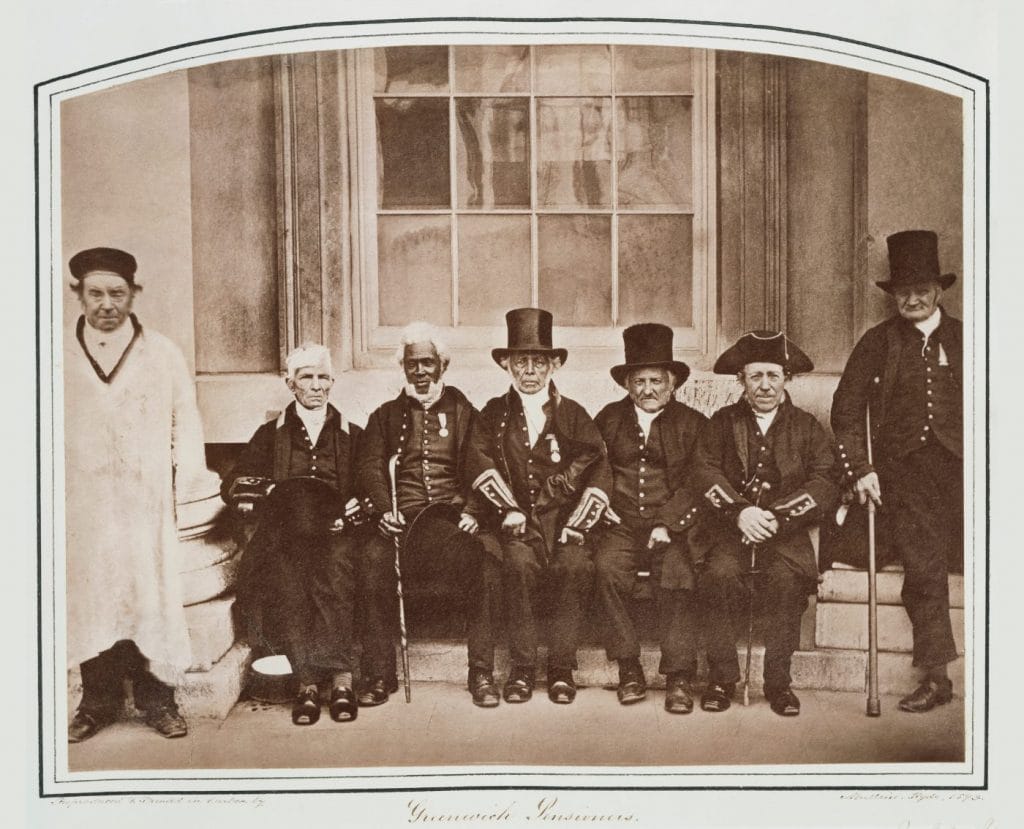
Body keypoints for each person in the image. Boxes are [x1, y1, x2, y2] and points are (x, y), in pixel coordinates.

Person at [65, 246, 217, 742]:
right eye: (95, 293)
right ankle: (98, 701)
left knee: (149, 597)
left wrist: (186, 482)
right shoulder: (56, 354)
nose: (106, 304)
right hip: (83, 505)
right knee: (93, 598)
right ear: (79, 295)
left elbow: (186, 422)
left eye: (117, 293)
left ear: (134, 294)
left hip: (145, 504)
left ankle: (159, 701)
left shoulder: (162, 353)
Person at [829, 230, 963, 713]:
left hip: (966, 474)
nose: (912, 298)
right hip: (903, 478)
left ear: (938, 290)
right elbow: (845, 413)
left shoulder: (967, 338)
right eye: (903, 290)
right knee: (925, 565)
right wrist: (861, 470)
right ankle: (937, 677)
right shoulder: (878, 343)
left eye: (921, 288)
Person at [469, 307, 614, 705]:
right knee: (515, 566)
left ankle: (562, 668)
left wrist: (579, 524)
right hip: (517, 525)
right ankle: (522, 669)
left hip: (565, 525)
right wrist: (507, 510)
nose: (529, 370)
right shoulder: (493, 414)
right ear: (507, 366)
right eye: (521, 362)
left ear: (553, 366)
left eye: (538, 361)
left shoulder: (573, 414)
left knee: (575, 566)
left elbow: (599, 465)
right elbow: (477, 461)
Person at [694, 331, 838, 716]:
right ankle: (722, 679)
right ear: (741, 380)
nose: (765, 385)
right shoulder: (721, 423)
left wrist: (778, 517)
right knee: (717, 576)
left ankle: (779, 683)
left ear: (786, 379)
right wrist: (740, 512)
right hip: (730, 531)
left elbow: (825, 481)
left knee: (786, 582)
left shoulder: (806, 427)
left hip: (784, 535)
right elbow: (704, 470)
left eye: (773, 376)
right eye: (755, 376)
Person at [221, 343, 364, 726]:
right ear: (291, 384)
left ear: (332, 382)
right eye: (306, 377)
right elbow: (235, 482)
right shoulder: (271, 435)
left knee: (335, 577)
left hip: (336, 535)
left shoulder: (352, 434)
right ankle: (306, 682)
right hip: (286, 536)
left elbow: (370, 487)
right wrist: (268, 493)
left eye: (322, 377)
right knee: (289, 582)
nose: (316, 386)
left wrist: (351, 512)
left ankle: (341, 679)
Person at [355, 322, 494, 707]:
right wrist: (384, 510)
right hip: (401, 523)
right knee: (370, 561)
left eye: (428, 363)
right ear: (403, 367)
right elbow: (369, 466)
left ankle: (481, 672)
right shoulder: (384, 416)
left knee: (484, 561)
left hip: (450, 521)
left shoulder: (465, 412)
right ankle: (379, 674)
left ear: (442, 366)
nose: (420, 372)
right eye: (412, 364)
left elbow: (483, 464)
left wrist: (474, 511)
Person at [592, 323, 708, 713]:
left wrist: (668, 523)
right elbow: (594, 467)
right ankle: (629, 668)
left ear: (672, 383)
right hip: (619, 523)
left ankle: (678, 677)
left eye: (656, 380)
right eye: (639, 381)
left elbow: (698, 481)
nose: (648, 389)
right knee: (606, 568)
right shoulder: (607, 419)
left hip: (672, 526)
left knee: (677, 574)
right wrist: (601, 501)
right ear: (627, 384)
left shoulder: (693, 425)